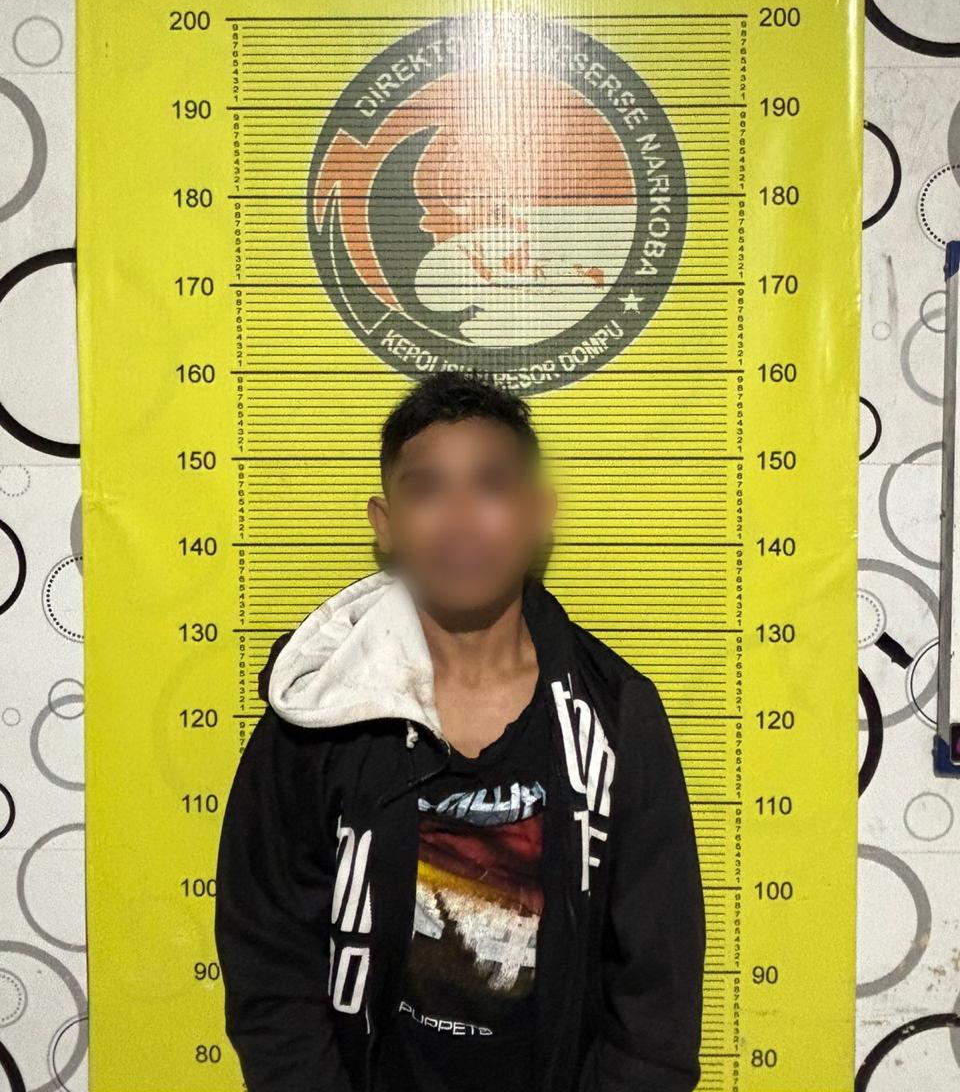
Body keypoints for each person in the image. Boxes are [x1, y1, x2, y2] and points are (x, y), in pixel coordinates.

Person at [214, 369, 706, 1092]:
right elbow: (267, 950)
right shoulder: (320, 713)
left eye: (491, 486)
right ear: (386, 523)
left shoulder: (617, 716)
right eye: (427, 490)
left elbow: (657, 985)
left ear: (537, 514)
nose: (460, 520)